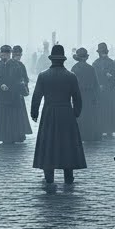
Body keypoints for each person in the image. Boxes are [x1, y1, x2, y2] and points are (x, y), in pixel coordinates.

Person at [31, 45, 86, 187]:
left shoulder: (43, 75)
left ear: (51, 59)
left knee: (48, 143)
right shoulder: (71, 76)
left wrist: (34, 113)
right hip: (66, 113)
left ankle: (49, 176)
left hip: (49, 112)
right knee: (67, 144)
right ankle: (68, 176)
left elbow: (37, 96)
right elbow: (77, 98)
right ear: (63, 60)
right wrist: (76, 113)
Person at [0, 45, 32, 143]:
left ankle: (14, 136)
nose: (3, 56)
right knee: (3, 117)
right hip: (1, 96)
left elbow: (21, 79)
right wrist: (0, 85)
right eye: (2, 54)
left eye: (5, 54)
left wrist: (17, 87)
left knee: (12, 117)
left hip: (13, 95)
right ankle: (5, 137)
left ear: (9, 54)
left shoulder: (17, 65)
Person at [70, 47, 100, 139]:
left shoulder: (74, 68)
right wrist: (96, 97)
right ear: (86, 57)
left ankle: (80, 135)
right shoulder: (91, 68)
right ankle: (89, 135)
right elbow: (96, 84)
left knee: (79, 115)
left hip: (78, 95)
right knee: (89, 115)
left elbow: (72, 84)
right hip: (89, 95)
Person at [93, 42, 115, 138]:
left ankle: (105, 129)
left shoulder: (97, 63)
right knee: (108, 110)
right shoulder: (110, 62)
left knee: (104, 110)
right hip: (107, 90)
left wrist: (110, 76)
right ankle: (108, 129)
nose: (103, 54)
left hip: (105, 90)